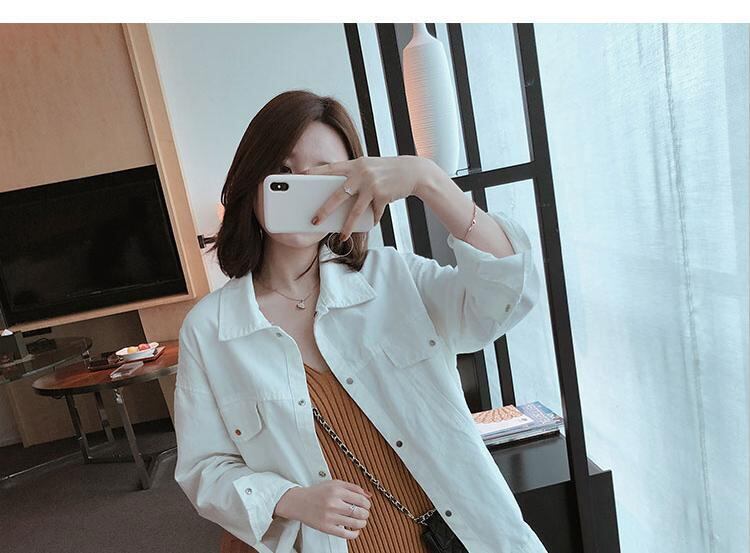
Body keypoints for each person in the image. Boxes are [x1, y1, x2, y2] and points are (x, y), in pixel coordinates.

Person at [174, 89, 548, 553]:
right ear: (253, 183)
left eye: (324, 175)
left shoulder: (394, 278)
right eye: (284, 172)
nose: (303, 187)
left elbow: (508, 293)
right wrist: (290, 499)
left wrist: (429, 180)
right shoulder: (210, 330)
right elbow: (204, 468)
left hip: (463, 538)